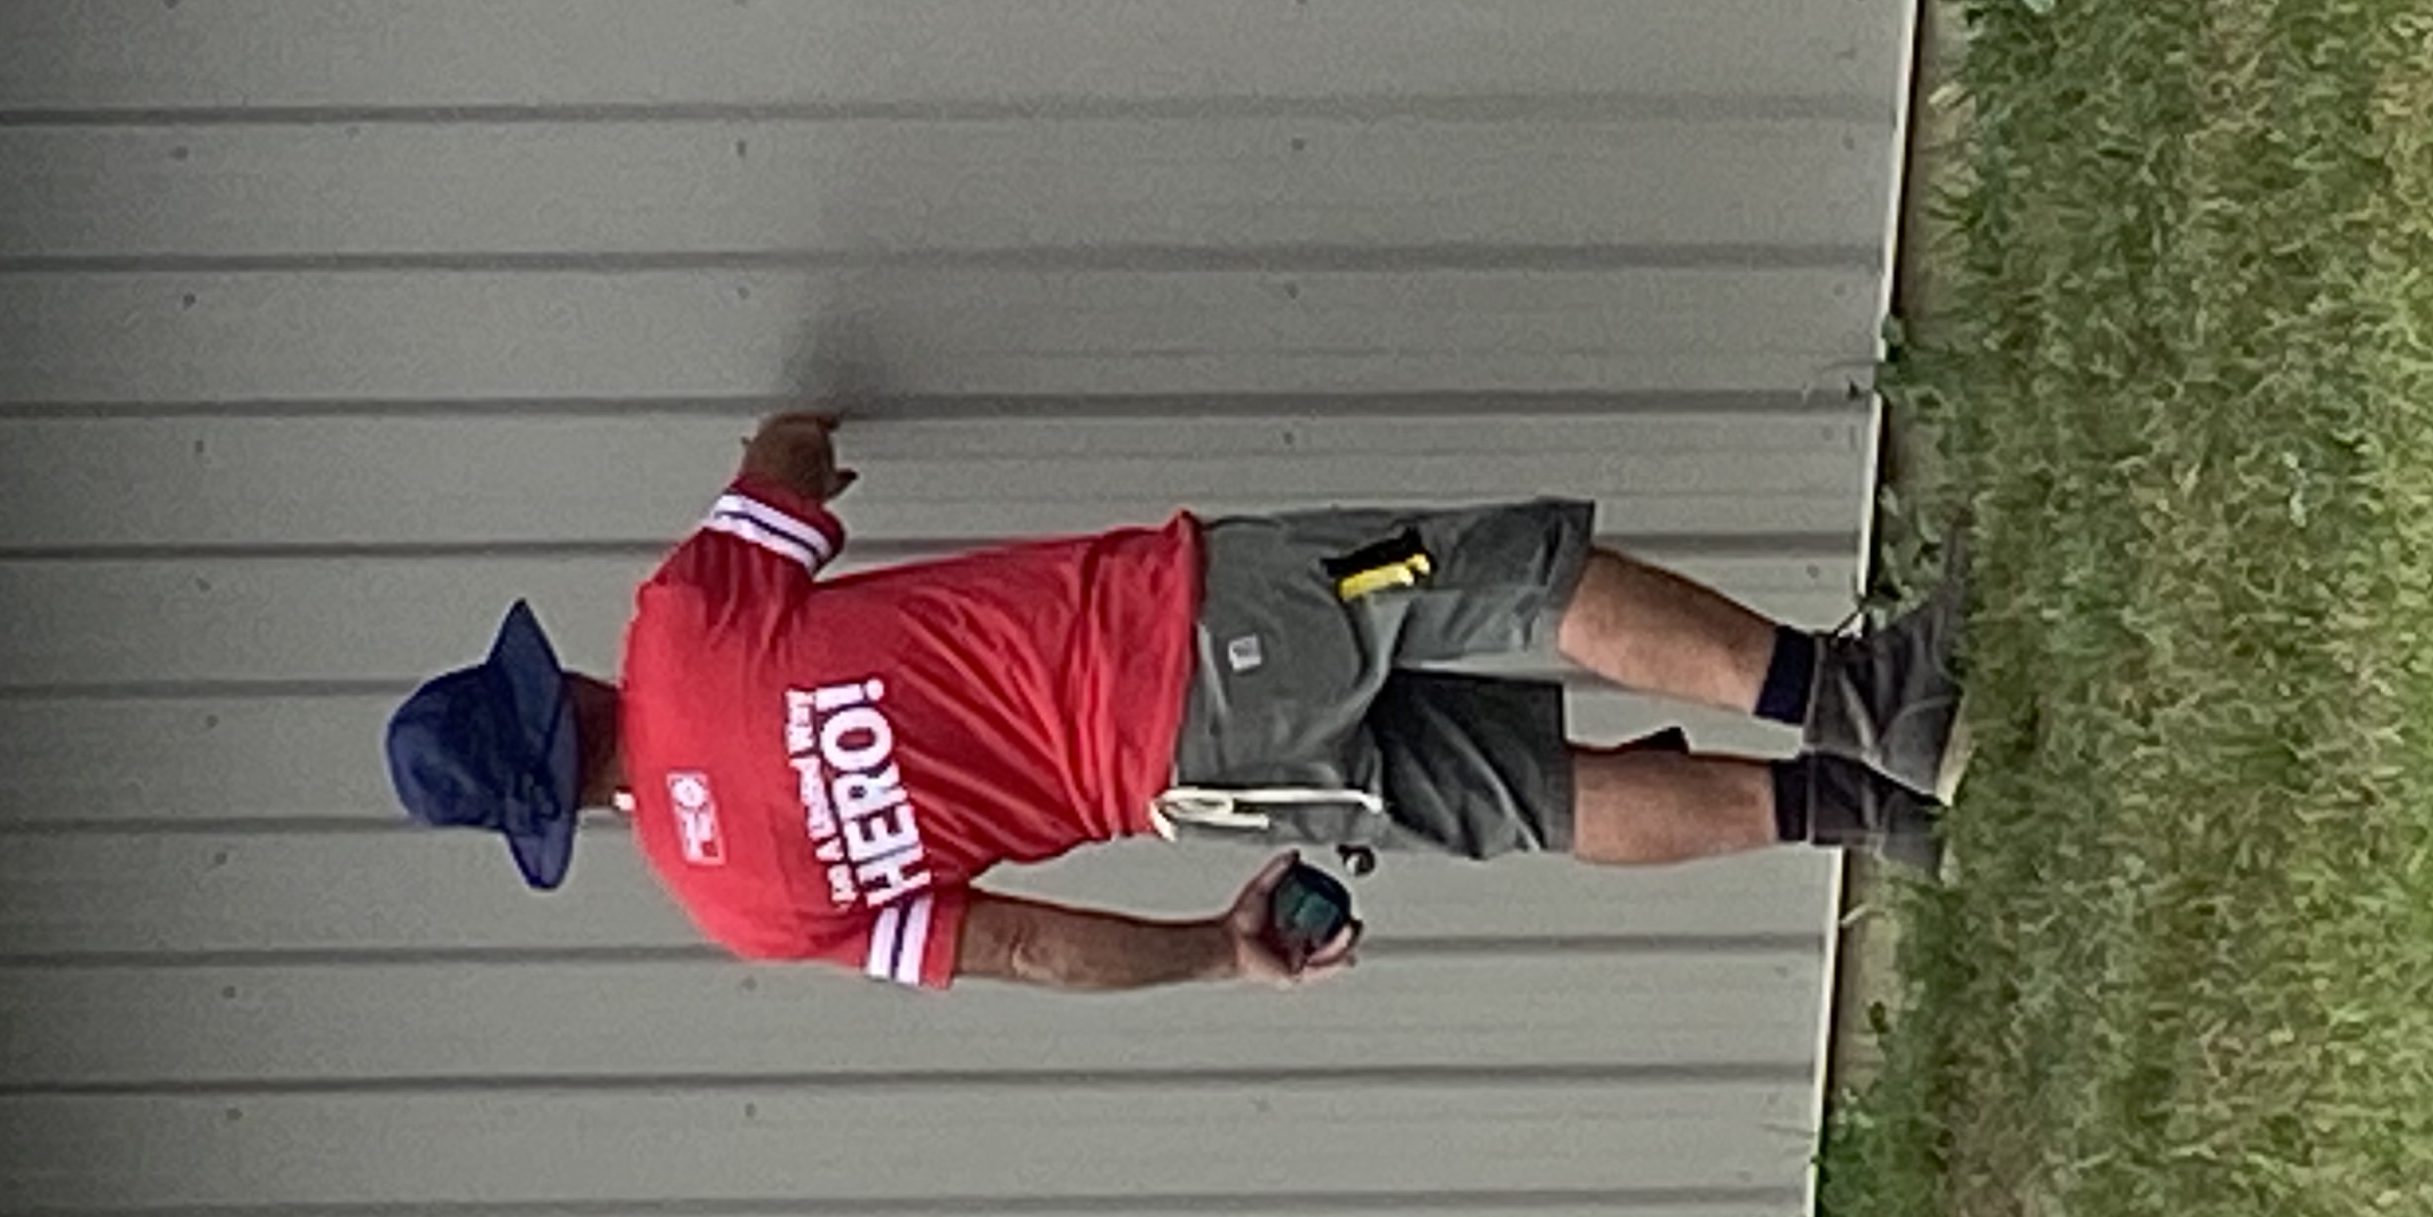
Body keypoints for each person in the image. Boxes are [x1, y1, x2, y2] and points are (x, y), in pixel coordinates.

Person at [385, 414, 1963, 996]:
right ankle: (1861, 699)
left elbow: (1022, 948)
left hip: (1194, 793)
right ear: (557, 687)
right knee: (1509, 580)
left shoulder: (741, 907)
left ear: (552, 813)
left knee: (1527, 796)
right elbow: (790, 462)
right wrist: (795, 433)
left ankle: (1867, 817)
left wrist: (1218, 947)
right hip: (1198, 620)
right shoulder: (680, 628)